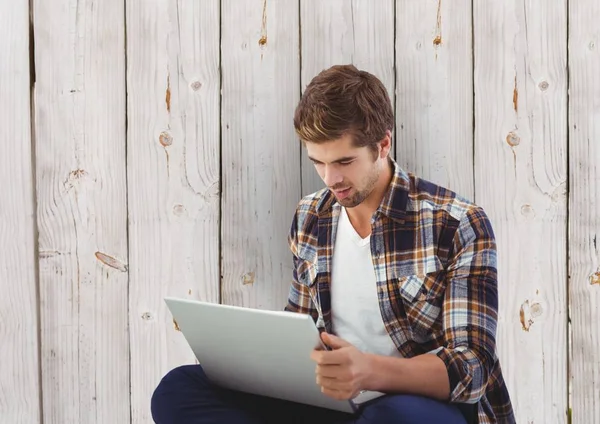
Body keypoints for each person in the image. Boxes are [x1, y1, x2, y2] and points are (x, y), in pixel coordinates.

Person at [150, 64, 516, 424]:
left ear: (383, 143)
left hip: (417, 407)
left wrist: (368, 371)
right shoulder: (311, 215)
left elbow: (472, 367)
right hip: (333, 404)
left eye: (344, 161)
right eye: (318, 162)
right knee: (177, 389)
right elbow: (298, 329)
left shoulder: (456, 223)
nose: (331, 179)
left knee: (391, 417)